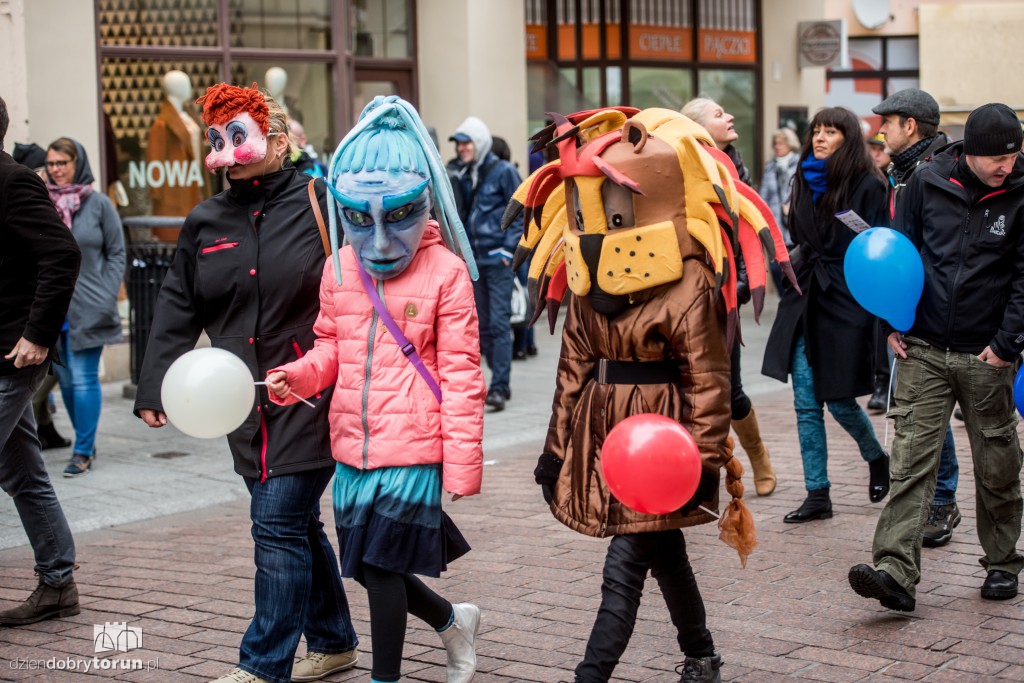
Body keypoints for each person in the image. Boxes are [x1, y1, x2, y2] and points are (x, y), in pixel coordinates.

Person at [519, 107, 780, 683]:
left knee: (626, 564)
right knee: (661, 553)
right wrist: (555, 450)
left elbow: (708, 379)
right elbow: (572, 371)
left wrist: (703, 459)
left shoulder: (688, 279)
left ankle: (592, 674)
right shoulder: (589, 281)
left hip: (665, 442)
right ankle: (702, 654)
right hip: (607, 436)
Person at [134, 84, 359, 683]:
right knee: (296, 524)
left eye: (239, 135)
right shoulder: (205, 220)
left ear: (278, 143)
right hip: (238, 402)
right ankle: (334, 640)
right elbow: (178, 305)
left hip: (310, 390)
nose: (225, 148)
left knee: (278, 521)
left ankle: (263, 665)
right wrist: (155, 384)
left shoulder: (321, 202)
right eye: (216, 138)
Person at [266, 95, 485, 683]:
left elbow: (464, 372)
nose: (382, 240)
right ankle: (452, 620)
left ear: (426, 199)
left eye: (400, 214)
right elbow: (330, 347)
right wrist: (300, 377)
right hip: (353, 447)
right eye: (360, 218)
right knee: (362, 565)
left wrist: (462, 464)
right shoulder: (338, 269)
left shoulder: (447, 273)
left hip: (414, 444)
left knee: (382, 568)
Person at [849, 103, 1024, 610]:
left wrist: (1005, 345)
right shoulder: (927, 181)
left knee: (997, 464)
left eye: (1013, 158)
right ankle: (894, 572)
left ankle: (1002, 562)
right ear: (970, 151)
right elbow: (898, 253)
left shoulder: (1020, 192)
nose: (1006, 168)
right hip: (923, 347)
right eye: (997, 160)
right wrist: (892, 322)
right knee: (911, 463)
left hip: (986, 354)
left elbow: (1022, 280)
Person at [762, 107, 891, 523]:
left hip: (845, 296)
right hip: (806, 293)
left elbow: (877, 243)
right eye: (816, 131)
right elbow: (800, 236)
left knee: (838, 399)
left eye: (830, 131)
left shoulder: (868, 182)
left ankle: (876, 457)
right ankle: (817, 492)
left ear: (847, 137)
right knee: (804, 401)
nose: (819, 138)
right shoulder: (803, 176)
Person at [0, 94, 82, 626]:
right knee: (22, 472)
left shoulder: (12, 181)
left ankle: (57, 580)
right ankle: (57, 582)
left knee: (22, 473)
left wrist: (38, 335)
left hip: (12, 353)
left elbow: (62, 254)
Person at [871, 88, 962, 548]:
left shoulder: (939, 173)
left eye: (887, 122)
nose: (880, 130)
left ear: (909, 125)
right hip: (906, 312)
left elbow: (937, 249)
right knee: (918, 412)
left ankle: (944, 499)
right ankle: (934, 499)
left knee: (932, 411)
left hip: (933, 314)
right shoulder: (900, 172)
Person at [682, 97, 776, 496]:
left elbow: (746, 237)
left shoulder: (737, 169)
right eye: (719, 114)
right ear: (698, 129)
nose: (731, 115)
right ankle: (693, 474)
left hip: (725, 297)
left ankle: (759, 459)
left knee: (730, 391)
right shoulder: (679, 170)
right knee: (686, 391)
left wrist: (738, 285)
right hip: (685, 297)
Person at [43, 138, 126, 478]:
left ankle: (81, 451)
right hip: (51, 307)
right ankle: (85, 441)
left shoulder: (98, 204)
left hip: (89, 306)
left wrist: (105, 293)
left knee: (82, 378)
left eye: (62, 162)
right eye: (51, 163)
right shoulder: (42, 202)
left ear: (78, 163)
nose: (56, 169)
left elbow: (117, 252)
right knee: (64, 381)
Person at [447, 116, 523, 412]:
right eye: (459, 143)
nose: (461, 148)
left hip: (497, 260)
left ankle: (500, 386)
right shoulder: (465, 173)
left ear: (479, 142)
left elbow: (521, 211)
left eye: (466, 142)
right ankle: (496, 379)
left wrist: (507, 251)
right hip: (475, 261)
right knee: (482, 327)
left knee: (498, 323)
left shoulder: (503, 171)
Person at [759, 128, 801, 295]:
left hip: (793, 226)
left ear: (790, 144)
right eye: (775, 143)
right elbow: (763, 196)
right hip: (774, 226)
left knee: (794, 266)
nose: (778, 146)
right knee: (776, 269)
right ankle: (784, 298)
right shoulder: (770, 167)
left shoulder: (800, 164)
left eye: (781, 143)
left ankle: (793, 299)